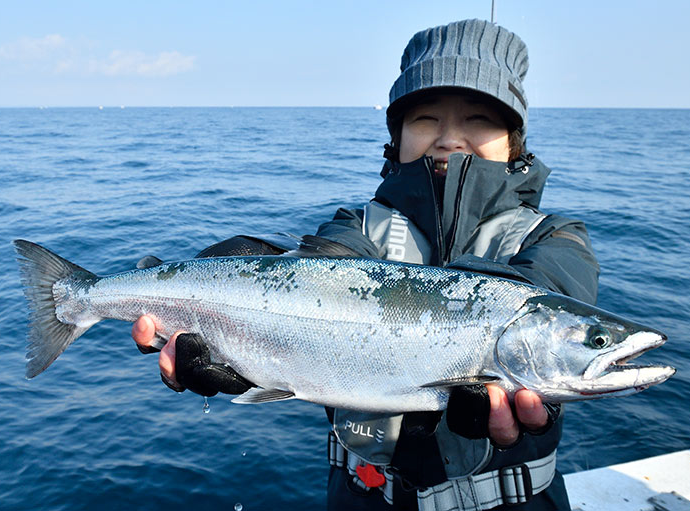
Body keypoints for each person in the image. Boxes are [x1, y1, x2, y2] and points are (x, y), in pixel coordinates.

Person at [132, 19, 599, 511]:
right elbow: (322, 266)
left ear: (514, 140)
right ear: (396, 136)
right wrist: (238, 308)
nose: (449, 139)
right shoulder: (355, 226)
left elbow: (541, 289)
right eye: (424, 118)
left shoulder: (554, 238)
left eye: (480, 119)